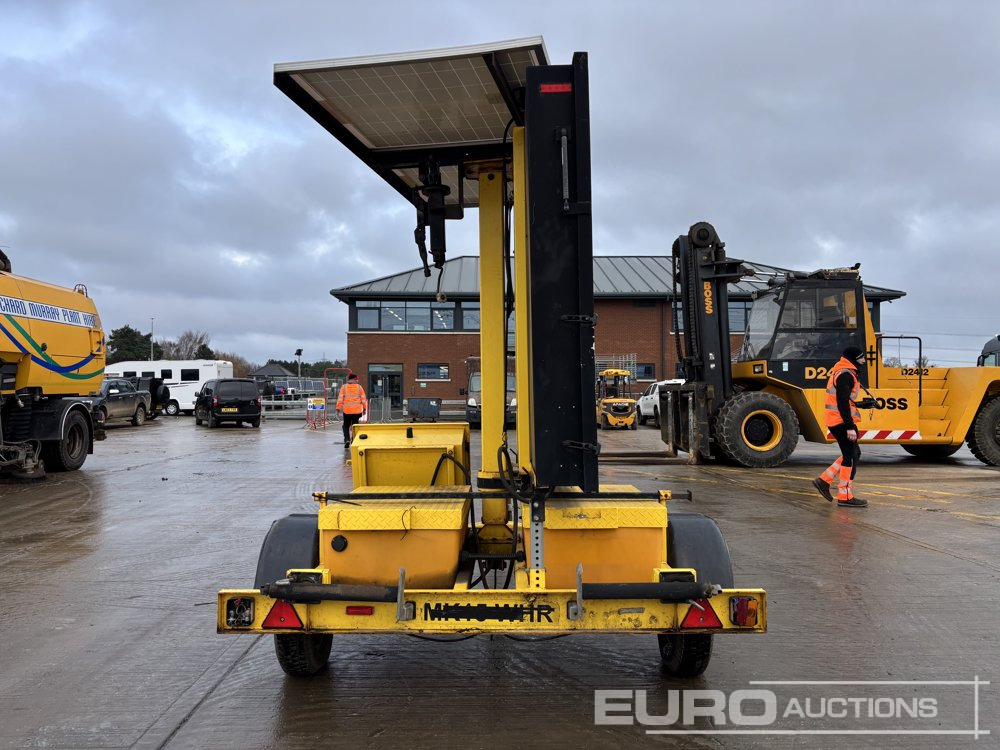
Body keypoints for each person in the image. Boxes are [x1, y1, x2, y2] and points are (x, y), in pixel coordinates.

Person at [811, 346, 868, 508]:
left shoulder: (845, 372)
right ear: (852, 358)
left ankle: (824, 481)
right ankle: (844, 496)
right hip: (841, 422)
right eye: (861, 357)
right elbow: (841, 402)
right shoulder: (845, 374)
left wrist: (861, 405)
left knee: (853, 453)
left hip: (839, 420)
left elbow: (845, 400)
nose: (864, 360)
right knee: (850, 455)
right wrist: (849, 426)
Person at [336, 372, 368, 445]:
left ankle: (347, 439)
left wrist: (337, 409)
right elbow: (363, 399)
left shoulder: (343, 387)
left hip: (347, 411)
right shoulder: (359, 387)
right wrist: (365, 408)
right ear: (355, 379)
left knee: (346, 425)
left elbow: (340, 399)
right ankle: (354, 440)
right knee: (355, 426)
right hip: (357, 411)